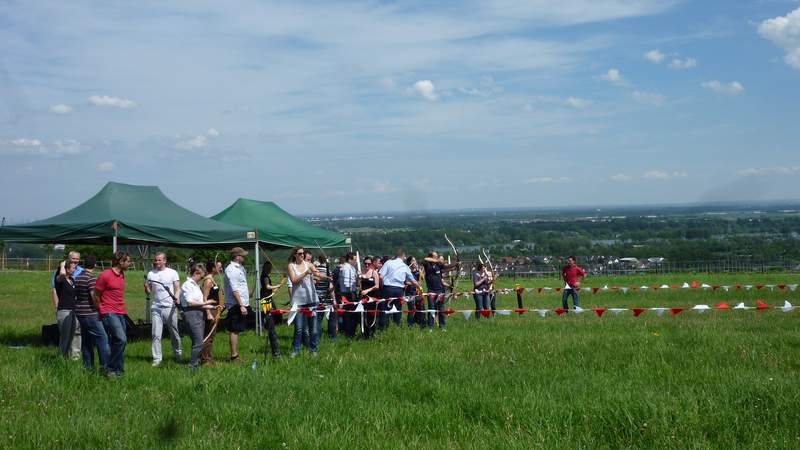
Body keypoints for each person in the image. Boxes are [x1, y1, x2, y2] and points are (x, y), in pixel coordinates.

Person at [93, 251, 131, 377]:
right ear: (121, 262)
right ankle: (110, 368)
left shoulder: (122, 275)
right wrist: (101, 309)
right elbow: (96, 295)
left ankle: (118, 371)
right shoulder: (105, 275)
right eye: (128, 261)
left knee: (117, 341)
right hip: (109, 312)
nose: (129, 263)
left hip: (120, 311)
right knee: (121, 339)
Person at [145, 252, 182, 366]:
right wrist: (146, 288)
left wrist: (176, 298)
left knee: (174, 332)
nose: (157, 262)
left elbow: (177, 288)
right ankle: (157, 359)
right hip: (156, 307)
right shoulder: (151, 273)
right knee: (156, 334)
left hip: (169, 307)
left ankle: (178, 355)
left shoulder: (172, 273)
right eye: (156, 260)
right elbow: (148, 291)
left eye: (160, 260)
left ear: (165, 261)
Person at [73, 255, 109, 372]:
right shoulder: (91, 278)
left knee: (86, 340)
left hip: (80, 312)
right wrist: (99, 309)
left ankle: (88, 367)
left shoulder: (77, 277)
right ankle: (105, 366)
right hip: (90, 313)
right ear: (95, 265)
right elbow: (94, 296)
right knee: (102, 339)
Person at [288, 247, 324, 356]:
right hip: (298, 302)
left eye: (303, 253)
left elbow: (318, 274)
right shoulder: (291, 266)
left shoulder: (309, 264)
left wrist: (325, 276)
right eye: (299, 253)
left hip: (312, 301)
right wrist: (305, 273)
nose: (302, 255)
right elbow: (294, 280)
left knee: (313, 329)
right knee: (298, 328)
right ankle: (296, 350)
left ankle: (313, 349)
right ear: (295, 254)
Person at [180, 263, 217, 369]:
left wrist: (213, 307)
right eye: (201, 276)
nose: (202, 278)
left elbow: (200, 302)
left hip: (199, 314)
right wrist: (206, 303)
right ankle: (192, 365)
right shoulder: (187, 285)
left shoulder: (196, 286)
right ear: (196, 273)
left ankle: (195, 363)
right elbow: (190, 303)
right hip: (191, 314)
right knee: (199, 342)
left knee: (197, 341)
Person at [52, 251, 83, 359]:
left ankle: (74, 357)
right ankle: (62, 357)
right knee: (65, 336)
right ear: (66, 268)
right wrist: (62, 265)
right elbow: (62, 275)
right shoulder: (60, 279)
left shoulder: (72, 280)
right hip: (64, 311)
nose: (75, 268)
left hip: (74, 311)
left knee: (75, 334)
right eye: (73, 267)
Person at [378, 250, 421, 328]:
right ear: (403, 256)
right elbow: (413, 281)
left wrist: (382, 286)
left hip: (387, 289)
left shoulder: (388, 262)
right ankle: (397, 326)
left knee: (385, 309)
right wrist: (419, 287)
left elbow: (380, 276)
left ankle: (383, 328)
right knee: (398, 310)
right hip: (399, 290)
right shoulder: (404, 266)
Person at [224, 247, 251, 363]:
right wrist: (241, 305)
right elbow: (235, 289)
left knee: (238, 329)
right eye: (242, 255)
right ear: (237, 256)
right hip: (236, 304)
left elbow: (241, 285)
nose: (244, 257)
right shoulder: (232, 269)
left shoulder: (240, 268)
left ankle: (236, 355)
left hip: (242, 302)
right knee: (234, 329)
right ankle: (234, 356)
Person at [422, 251, 460, 331]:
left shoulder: (439, 265)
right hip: (431, 290)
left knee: (441, 309)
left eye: (437, 256)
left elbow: (447, 266)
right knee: (431, 309)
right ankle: (430, 327)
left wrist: (456, 264)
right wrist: (437, 260)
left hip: (440, 290)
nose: (437, 257)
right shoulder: (427, 264)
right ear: (431, 257)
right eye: (435, 256)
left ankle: (442, 326)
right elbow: (425, 259)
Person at [259, 260, 283, 359]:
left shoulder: (265, 275)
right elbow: (267, 286)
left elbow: (268, 288)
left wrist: (275, 288)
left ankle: (270, 326)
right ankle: (268, 327)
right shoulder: (264, 276)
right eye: (270, 267)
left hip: (267, 296)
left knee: (272, 313)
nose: (271, 269)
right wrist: (277, 286)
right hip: (265, 298)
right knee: (269, 316)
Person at [201, 260, 223, 365]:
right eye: (218, 267)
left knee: (212, 335)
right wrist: (209, 313)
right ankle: (206, 359)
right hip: (210, 310)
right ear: (213, 268)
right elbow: (204, 298)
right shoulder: (208, 281)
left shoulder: (212, 279)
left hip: (215, 309)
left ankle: (209, 358)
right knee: (208, 334)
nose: (220, 269)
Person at [314, 254, 337, 340]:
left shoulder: (315, 270)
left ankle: (317, 337)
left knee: (318, 319)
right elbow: (330, 287)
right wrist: (334, 299)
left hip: (318, 297)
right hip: (326, 298)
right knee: (331, 319)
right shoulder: (328, 271)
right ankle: (332, 337)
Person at [338, 253, 358, 338]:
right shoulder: (346, 268)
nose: (356, 261)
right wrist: (352, 294)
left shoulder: (351, 268)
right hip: (348, 293)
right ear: (350, 259)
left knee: (351, 314)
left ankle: (350, 331)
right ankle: (348, 333)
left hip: (351, 292)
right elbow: (347, 283)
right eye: (354, 259)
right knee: (349, 314)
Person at [360, 256, 381, 337]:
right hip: (364, 298)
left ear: (371, 263)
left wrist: (367, 290)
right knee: (364, 315)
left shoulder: (374, 273)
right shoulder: (361, 273)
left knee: (372, 316)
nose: (367, 265)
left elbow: (377, 286)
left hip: (373, 298)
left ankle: (372, 333)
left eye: (369, 264)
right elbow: (359, 285)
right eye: (365, 263)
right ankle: (365, 334)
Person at [404, 255, 422, 327]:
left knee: (418, 307)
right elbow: (405, 282)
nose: (415, 262)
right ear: (409, 262)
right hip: (409, 292)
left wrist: (420, 273)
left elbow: (420, 281)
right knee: (411, 309)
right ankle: (410, 324)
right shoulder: (407, 271)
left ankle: (417, 322)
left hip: (417, 292)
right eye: (413, 261)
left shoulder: (418, 270)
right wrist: (414, 283)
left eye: (415, 260)